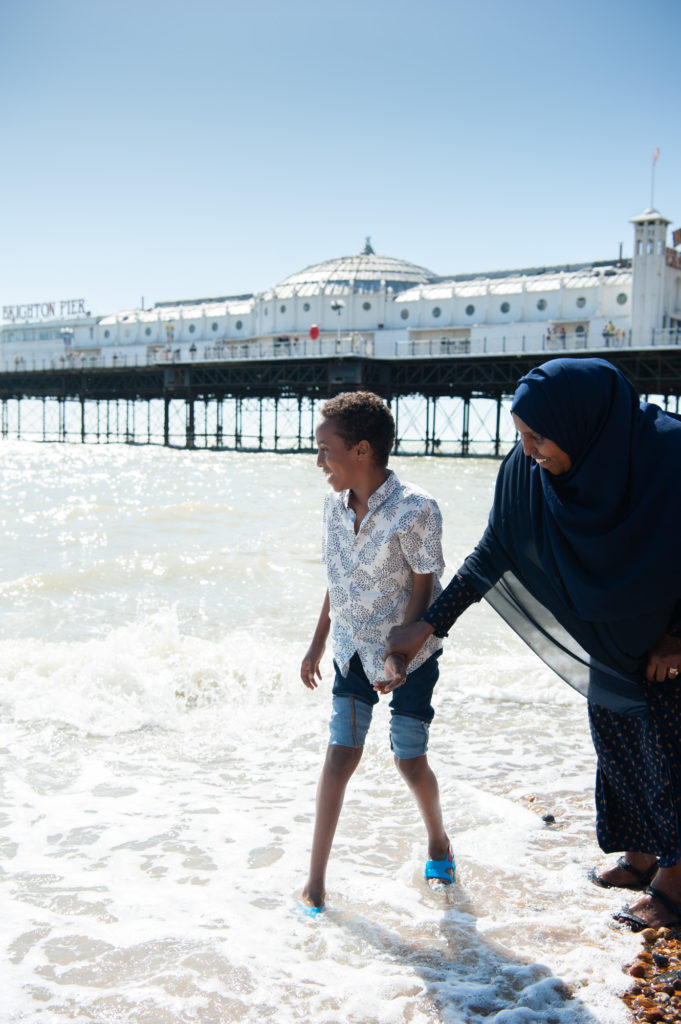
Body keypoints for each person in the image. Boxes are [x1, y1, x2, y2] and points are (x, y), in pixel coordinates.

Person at [383, 357, 681, 931]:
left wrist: (678, 635)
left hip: (670, 643)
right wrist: (429, 625)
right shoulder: (526, 474)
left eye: (537, 437)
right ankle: (642, 854)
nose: (527, 450)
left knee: (671, 753)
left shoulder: (669, 457)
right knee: (617, 739)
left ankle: (677, 882)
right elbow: (491, 554)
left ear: (583, 424)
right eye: (519, 435)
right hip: (610, 639)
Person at [300, 391, 453, 912]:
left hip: (409, 650)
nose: (318, 461)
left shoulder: (417, 510)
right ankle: (315, 881)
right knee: (341, 754)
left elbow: (423, 587)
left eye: (325, 449)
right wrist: (318, 642)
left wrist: (399, 657)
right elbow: (336, 577)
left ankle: (438, 840)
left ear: (362, 449)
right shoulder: (332, 506)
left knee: (409, 760)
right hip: (348, 649)